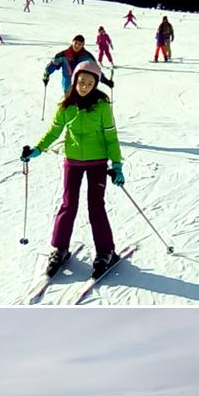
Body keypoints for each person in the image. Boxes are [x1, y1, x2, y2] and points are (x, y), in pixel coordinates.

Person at [21, 60, 124, 279]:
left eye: (90, 82)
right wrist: (38, 149)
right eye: (81, 81)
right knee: (68, 204)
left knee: (96, 206)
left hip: (97, 162)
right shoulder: (66, 107)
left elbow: (111, 138)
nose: (85, 86)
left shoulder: (102, 107)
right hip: (73, 161)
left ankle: (106, 251)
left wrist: (117, 165)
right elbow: (53, 131)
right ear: (75, 80)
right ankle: (60, 248)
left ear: (95, 84)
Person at [42, 34, 115, 92]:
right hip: (68, 86)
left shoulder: (87, 57)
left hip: (82, 86)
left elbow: (95, 71)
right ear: (72, 42)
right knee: (69, 106)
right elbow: (53, 65)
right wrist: (47, 74)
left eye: (80, 44)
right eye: (76, 42)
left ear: (83, 45)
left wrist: (106, 81)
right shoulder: (63, 55)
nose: (77, 45)